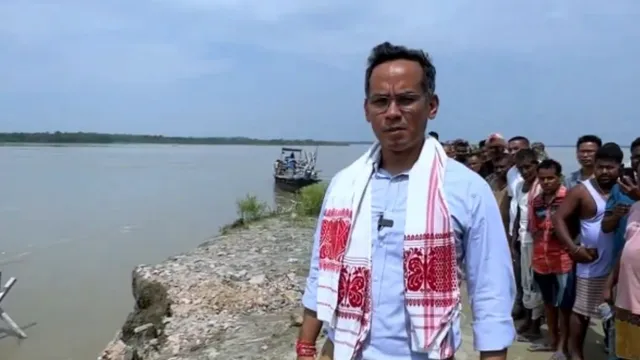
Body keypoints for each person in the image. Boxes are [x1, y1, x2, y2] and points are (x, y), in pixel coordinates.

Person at [297, 42, 515, 360]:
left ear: (432, 105)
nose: (393, 113)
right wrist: (305, 345)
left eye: (407, 100)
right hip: (345, 350)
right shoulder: (345, 186)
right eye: (381, 102)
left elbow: (490, 290)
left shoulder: (466, 189)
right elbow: (322, 270)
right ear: (367, 110)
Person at [552, 143, 623, 360]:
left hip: (620, 266)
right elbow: (558, 219)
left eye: (610, 168)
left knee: (619, 314)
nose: (604, 172)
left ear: (619, 167)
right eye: (600, 167)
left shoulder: (626, 188)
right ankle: (576, 353)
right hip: (591, 263)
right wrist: (573, 249)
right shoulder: (582, 190)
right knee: (582, 312)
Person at [529, 159, 575, 358]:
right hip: (541, 259)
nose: (546, 182)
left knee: (565, 306)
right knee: (548, 303)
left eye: (550, 178)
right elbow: (533, 228)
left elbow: (576, 228)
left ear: (559, 177)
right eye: (542, 178)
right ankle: (552, 340)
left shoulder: (568, 198)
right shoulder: (536, 201)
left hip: (563, 260)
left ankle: (562, 346)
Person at [601, 137, 640, 356]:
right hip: (626, 293)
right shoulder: (634, 205)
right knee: (626, 349)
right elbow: (627, 246)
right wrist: (609, 283)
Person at [512, 148, 544, 340]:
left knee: (535, 284)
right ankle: (529, 320)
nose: (525, 171)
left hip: (537, 241)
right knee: (525, 282)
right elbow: (517, 213)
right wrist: (513, 238)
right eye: (521, 168)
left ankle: (535, 325)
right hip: (523, 239)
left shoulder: (541, 186)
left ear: (536, 165)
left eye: (528, 167)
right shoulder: (519, 187)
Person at [506, 135, 531, 319]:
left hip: (532, 233)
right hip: (516, 230)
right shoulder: (511, 173)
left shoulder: (535, 172)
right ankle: (520, 305)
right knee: (518, 272)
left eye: (517, 148)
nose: (513, 152)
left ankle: (533, 316)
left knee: (531, 276)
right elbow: (512, 201)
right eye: (511, 149)